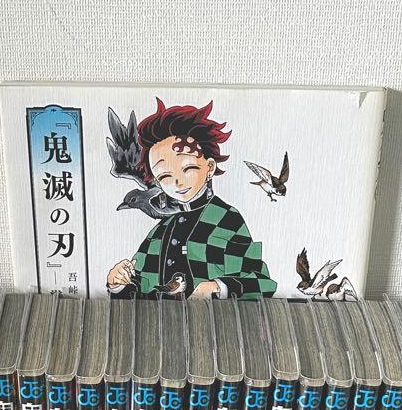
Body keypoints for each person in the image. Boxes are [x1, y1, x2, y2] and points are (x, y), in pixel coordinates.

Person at [106, 100, 276, 300]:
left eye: (188, 168)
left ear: (209, 167)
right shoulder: (161, 230)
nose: (177, 182)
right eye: (165, 176)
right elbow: (141, 290)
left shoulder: (226, 218)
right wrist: (119, 283)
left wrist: (218, 287)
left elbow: (261, 283)